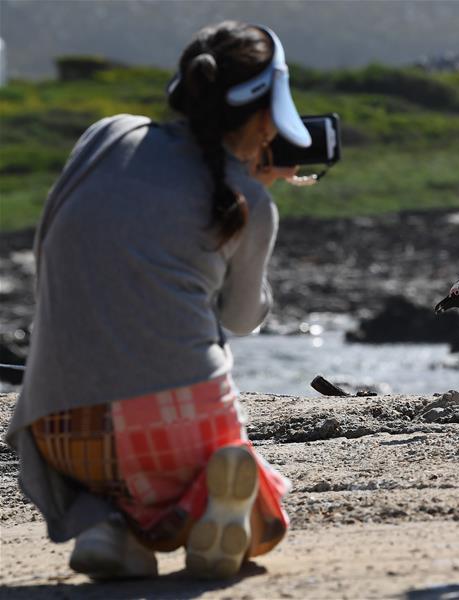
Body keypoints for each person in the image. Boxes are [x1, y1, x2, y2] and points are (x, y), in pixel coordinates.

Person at [4, 21, 310, 579]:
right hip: (179, 426)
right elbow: (242, 319)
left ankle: (102, 527)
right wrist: (256, 199)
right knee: (263, 513)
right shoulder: (251, 203)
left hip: (59, 426)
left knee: (107, 475)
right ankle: (222, 513)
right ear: (268, 117)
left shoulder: (107, 135)